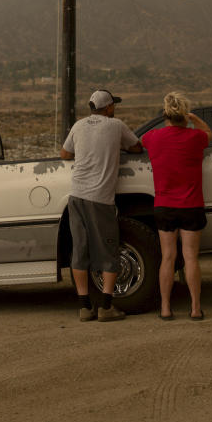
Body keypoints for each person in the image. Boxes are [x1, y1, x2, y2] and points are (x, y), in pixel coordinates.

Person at [60, 88, 143, 322]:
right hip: (100, 199)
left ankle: (84, 307)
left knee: (80, 251)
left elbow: (65, 153)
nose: (114, 108)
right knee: (108, 251)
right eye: (113, 105)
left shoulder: (78, 126)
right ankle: (106, 307)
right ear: (108, 108)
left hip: (76, 197)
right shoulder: (116, 126)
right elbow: (137, 147)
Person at [141, 91, 212, 321]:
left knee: (168, 257)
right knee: (190, 257)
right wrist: (194, 118)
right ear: (184, 115)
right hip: (191, 206)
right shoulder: (195, 138)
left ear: (165, 115)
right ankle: (195, 308)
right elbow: (208, 133)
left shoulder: (153, 138)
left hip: (165, 206)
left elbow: (139, 141)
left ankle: (165, 308)